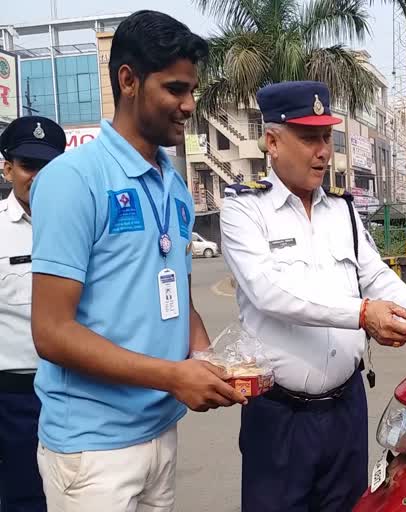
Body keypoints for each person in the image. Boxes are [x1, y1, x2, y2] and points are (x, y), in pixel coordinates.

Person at [29, 11, 245, 512]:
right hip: (92, 449)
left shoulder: (172, 183)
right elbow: (52, 331)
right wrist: (172, 377)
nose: (189, 105)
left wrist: (208, 362)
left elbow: (176, 294)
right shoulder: (73, 179)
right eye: (175, 89)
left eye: (193, 90)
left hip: (159, 432)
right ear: (128, 80)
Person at [220, 81, 406, 512]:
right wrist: (363, 314)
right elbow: (270, 292)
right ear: (272, 141)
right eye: (309, 138)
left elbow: (375, 274)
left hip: (346, 410)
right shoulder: (244, 209)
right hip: (278, 417)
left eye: (327, 136)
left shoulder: (341, 210)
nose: (323, 150)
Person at [0, 116, 65, 512]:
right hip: (16, 399)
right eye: (29, 166)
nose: (39, 177)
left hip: (80, 390)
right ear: (7, 167)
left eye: (50, 166)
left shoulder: (85, 221)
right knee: (25, 501)